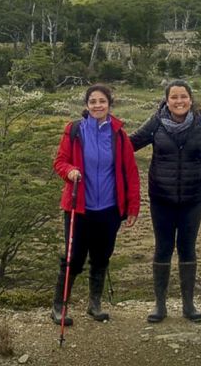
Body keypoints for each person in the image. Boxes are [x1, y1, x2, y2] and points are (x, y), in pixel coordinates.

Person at [129, 79, 201, 324]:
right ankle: (160, 305)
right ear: (167, 100)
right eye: (174, 97)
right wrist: (99, 148)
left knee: (187, 246)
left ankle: (188, 304)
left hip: (193, 197)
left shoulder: (200, 121)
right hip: (161, 197)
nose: (179, 101)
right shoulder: (156, 122)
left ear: (190, 99)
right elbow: (130, 143)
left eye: (183, 97)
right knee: (163, 247)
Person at [51, 84, 140, 325]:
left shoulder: (119, 134)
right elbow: (59, 162)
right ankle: (59, 306)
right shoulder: (74, 130)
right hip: (79, 207)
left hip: (110, 209)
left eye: (102, 101)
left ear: (110, 104)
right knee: (73, 258)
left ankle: (94, 304)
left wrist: (133, 207)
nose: (97, 105)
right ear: (86, 105)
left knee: (102, 257)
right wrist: (69, 171)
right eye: (93, 101)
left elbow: (131, 172)